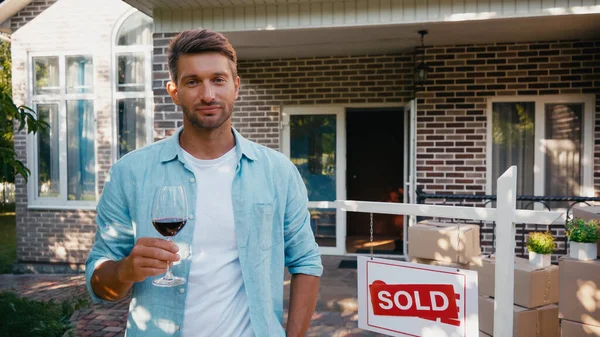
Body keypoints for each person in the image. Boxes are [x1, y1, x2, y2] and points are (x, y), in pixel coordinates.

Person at [85, 28, 323, 337]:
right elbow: (100, 285)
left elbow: (306, 261)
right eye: (193, 82)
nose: (208, 94)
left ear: (235, 87)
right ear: (174, 92)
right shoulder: (130, 172)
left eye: (218, 80)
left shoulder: (277, 171)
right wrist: (125, 270)